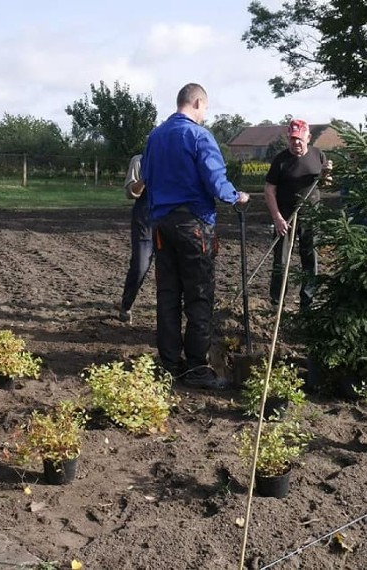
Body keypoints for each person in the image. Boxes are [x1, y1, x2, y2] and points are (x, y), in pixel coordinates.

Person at [142, 83, 250, 390]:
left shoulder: (155, 136)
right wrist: (236, 196)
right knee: (199, 296)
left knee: (167, 296)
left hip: (161, 225)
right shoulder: (199, 136)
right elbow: (216, 182)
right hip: (193, 226)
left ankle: (169, 366)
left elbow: (147, 178)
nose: (205, 115)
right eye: (205, 109)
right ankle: (197, 369)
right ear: (198, 102)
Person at [263, 119, 329, 309]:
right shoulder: (281, 160)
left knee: (310, 260)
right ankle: (277, 303)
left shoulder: (318, 155)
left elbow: (325, 183)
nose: (296, 143)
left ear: (308, 138)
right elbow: (269, 190)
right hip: (285, 219)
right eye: (292, 139)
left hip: (311, 217)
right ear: (288, 139)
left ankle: (307, 302)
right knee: (281, 262)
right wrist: (277, 218)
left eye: (299, 139)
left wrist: (326, 174)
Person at [118, 153, 153, 324]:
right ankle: (126, 305)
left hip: (170, 221)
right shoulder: (139, 161)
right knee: (140, 267)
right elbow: (130, 192)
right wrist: (146, 178)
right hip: (145, 221)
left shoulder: (175, 159)